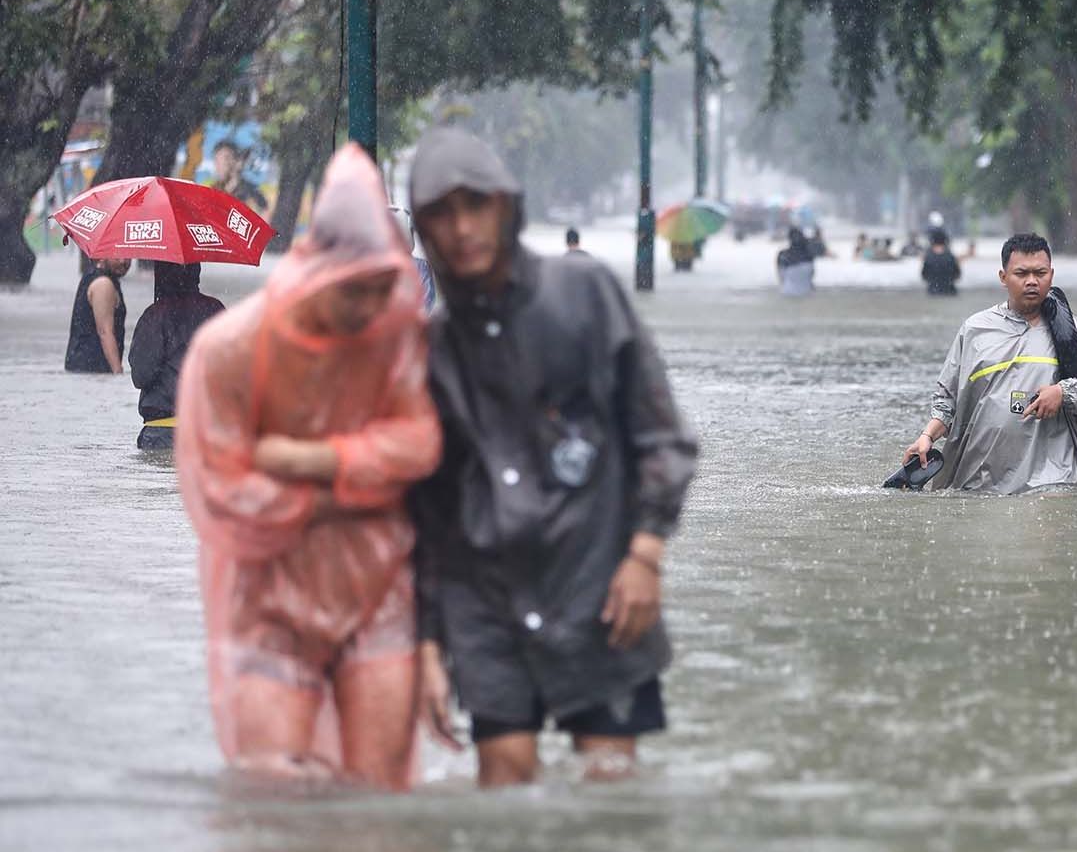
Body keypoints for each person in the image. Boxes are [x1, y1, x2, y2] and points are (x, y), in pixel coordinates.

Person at [405, 126, 700, 788]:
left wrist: (645, 553)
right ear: (423, 232)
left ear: (508, 208)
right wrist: (426, 641)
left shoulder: (584, 292)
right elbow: (431, 510)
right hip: (485, 599)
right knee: (503, 785)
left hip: (596, 581)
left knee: (610, 784)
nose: (462, 228)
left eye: (475, 205)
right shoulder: (431, 348)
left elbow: (660, 434)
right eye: (440, 215)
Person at [174, 145, 441, 789]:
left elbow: (423, 446)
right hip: (267, 599)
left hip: (377, 593)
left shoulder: (393, 342)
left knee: (379, 793)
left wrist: (308, 460)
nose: (369, 311)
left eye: (383, 289)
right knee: (271, 786)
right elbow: (221, 491)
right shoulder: (230, 351)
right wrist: (352, 493)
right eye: (356, 291)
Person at [902, 233, 1077, 494]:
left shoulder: (1073, 333)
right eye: (1021, 273)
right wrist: (927, 437)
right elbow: (948, 399)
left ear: (1051, 275)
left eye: (1040, 273)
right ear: (1003, 277)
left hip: (1052, 479)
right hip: (981, 480)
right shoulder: (975, 331)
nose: (1031, 281)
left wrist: (1064, 392)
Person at [128, 263, 224, 449]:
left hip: (163, 433)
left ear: (161, 275)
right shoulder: (216, 310)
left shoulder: (154, 315)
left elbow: (140, 376)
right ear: (197, 273)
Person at [65, 256, 129, 373]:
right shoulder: (103, 284)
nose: (123, 261)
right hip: (92, 369)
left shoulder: (93, 276)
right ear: (102, 256)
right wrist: (117, 371)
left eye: (128, 256)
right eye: (117, 255)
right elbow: (105, 332)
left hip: (82, 368)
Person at [211, 140, 269, 213]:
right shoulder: (214, 190)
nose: (218, 164)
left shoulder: (252, 194)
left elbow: (264, 216)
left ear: (238, 162)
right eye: (216, 159)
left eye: (226, 158)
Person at [776, 226, 816, 296]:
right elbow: (811, 275)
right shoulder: (809, 256)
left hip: (787, 292)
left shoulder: (782, 255)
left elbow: (781, 277)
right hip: (805, 292)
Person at [921, 228, 960, 296]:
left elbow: (924, 275)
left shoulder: (929, 258)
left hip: (933, 291)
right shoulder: (950, 257)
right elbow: (957, 274)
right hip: (950, 290)